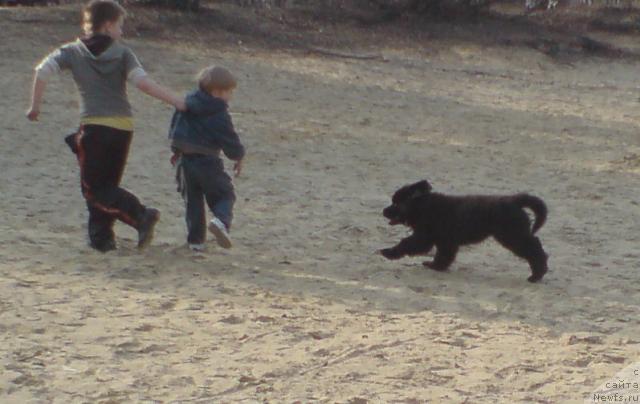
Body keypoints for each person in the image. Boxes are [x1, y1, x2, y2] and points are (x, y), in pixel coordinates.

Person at [26, 0, 186, 252]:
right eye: (121, 25)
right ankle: (102, 239)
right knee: (107, 184)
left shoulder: (70, 51)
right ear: (108, 25)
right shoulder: (123, 53)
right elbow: (143, 83)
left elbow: (42, 71)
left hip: (94, 127)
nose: (122, 31)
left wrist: (35, 107)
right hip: (123, 127)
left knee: (94, 189)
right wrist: (176, 100)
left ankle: (142, 215)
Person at [169, 66, 245, 251]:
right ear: (217, 92)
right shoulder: (218, 112)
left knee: (192, 201)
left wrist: (176, 151)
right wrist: (238, 155)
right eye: (229, 92)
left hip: (185, 162)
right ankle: (220, 221)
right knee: (225, 194)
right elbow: (228, 138)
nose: (230, 96)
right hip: (208, 162)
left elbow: (176, 129)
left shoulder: (187, 103)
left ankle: (196, 242)